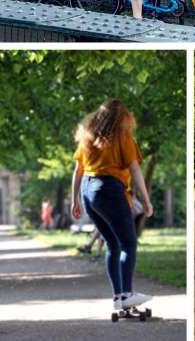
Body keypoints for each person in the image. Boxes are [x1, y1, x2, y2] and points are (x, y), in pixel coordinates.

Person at [71, 99, 154, 312]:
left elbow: (78, 171)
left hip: (89, 192)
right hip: (110, 189)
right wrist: (146, 199)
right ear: (123, 117)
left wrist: (75, 200)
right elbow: (135, 170)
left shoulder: (87, 140)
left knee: (112, 244)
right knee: (128, 243)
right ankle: (127, 294)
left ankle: (118, 297)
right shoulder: (124, 139)